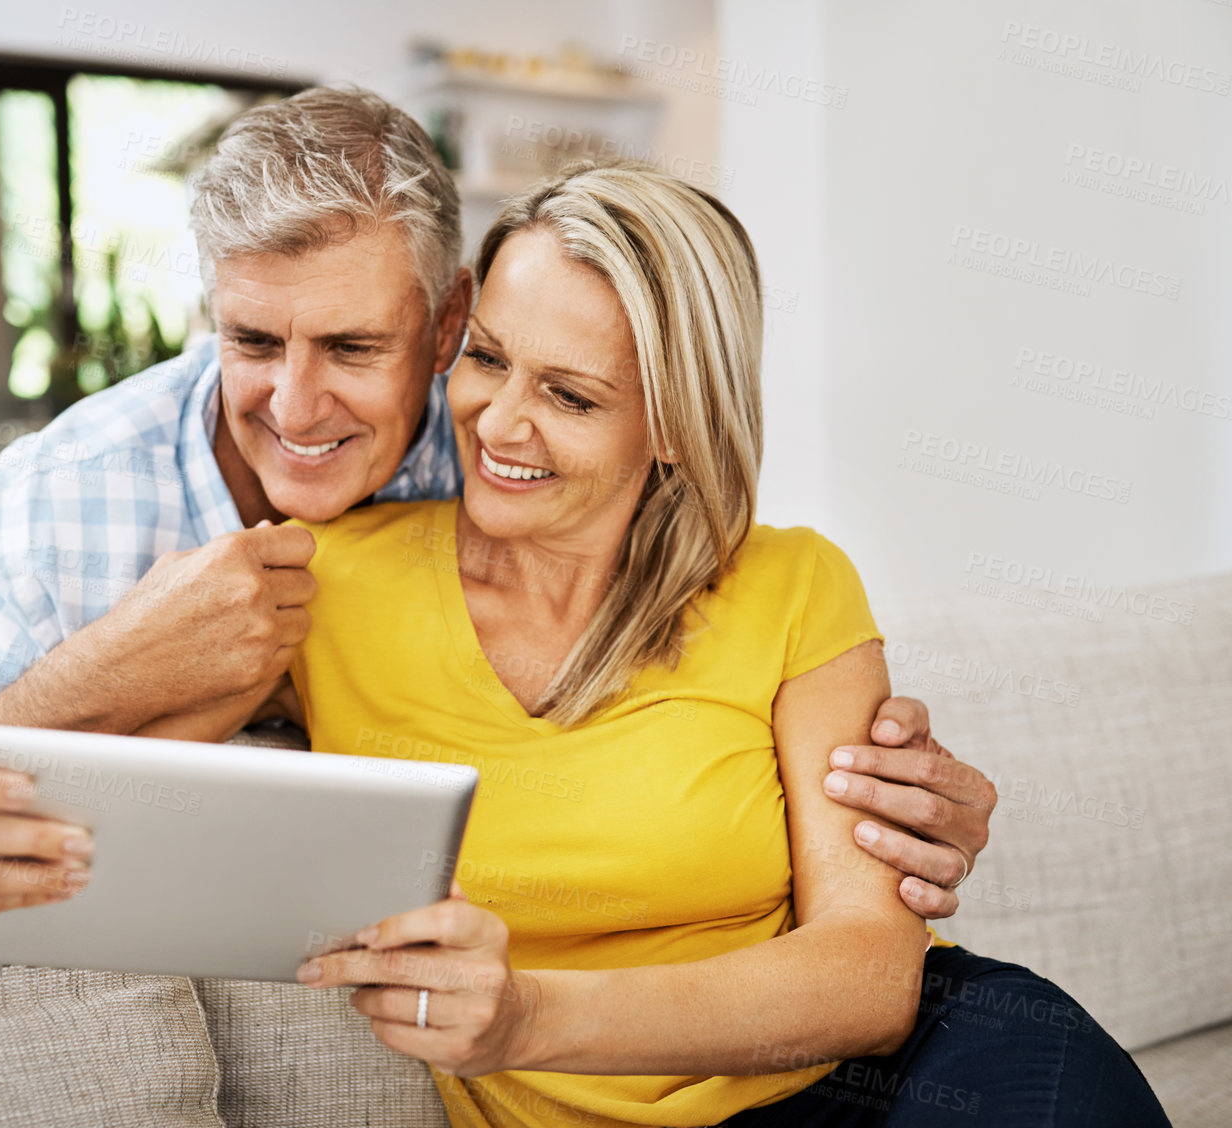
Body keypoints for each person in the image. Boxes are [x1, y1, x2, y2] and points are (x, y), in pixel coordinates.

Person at [0, 87, 996, 940]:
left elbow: (703, 622)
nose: (296, 402)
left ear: (445, 327)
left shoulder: (494, 437)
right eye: (253, 341)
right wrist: (100, 669)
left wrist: (893, 803)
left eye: (354, 347)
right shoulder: (65, 497)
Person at [159, 160, 1170, 1128]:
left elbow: (868, 973)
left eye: (571, 396)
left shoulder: (794, 583)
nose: (499, 422)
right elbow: (91, 787)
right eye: (490, 360)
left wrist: (526, 1019)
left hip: (902, 1076)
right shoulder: (321, 580)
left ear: (679, 422)